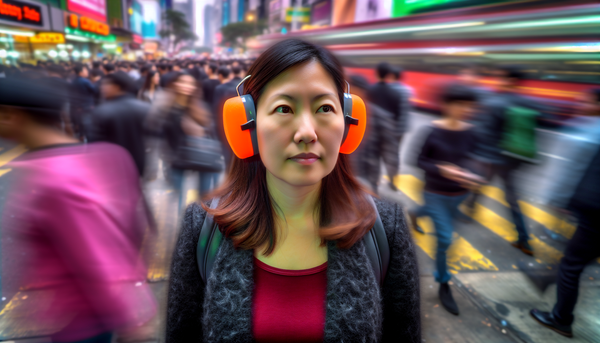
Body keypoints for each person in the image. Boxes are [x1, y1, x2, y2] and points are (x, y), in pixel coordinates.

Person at [166, 38, 421, 343]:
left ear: (350, 122)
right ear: (246, 124)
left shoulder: (385, 228)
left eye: (325, 107)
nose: (307, 133)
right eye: (284, 108)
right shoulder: (203, 228)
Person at [0, 77, 156, 343]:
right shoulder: (106, 155)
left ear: (10, 116)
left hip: (82, 317)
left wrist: (131, 319)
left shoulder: (53, 178)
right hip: (88, 311)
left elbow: (95, 257)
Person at [408, 85, 482, 316]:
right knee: (445, 239)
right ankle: (443, 282)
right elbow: (418, 160)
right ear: (447, 106)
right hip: (435, 193)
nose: (466, 110)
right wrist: (440, 168)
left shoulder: (472, 131)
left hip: (459, 195)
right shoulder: (431, 130)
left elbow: (473, 159)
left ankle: (416, 212)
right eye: (460, 104)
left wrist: (472, 174)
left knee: (437, 222)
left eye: (469, 105)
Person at [530, 110, 600, 337]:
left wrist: (565, 200)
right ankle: (546, 276)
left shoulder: (591, 130)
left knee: (572, 264)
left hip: (595, 216)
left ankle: (560, 319)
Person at [464, 66, 545, 256]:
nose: (496, 79)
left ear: (509, 80)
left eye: (499, 76)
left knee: (477, 184)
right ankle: (524, 239)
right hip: (511, 159)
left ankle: (468, 212)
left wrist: (474, 153)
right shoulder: (527, 101)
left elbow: (482, 132)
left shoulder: (495, 102)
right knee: (511, 200)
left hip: (490, 158)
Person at [160, 72, 220, 212]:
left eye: (190, 83)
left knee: (204, 196)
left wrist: (200, 130)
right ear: (175, 84)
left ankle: (198, 226)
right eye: (182, 82)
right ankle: (182, 226)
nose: (186, 86)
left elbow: (211, 130)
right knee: (177, 196)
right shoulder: (168, 107)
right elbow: (162, 132)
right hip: (176, 157)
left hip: (202, 155)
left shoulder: (200, 106)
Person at [87, 71, 150, 176]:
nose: (102, 88)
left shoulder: (102, 111)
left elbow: (94, 143)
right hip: (139, 164)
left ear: (116, 87)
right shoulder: (145, 108)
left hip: (111, 168)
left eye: (106, 84)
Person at [347, 74, 397, 194]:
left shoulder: (380, 116)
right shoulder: (341, 111)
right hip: (342, 177)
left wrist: (392, 177)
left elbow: (390, 150)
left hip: (366, 179)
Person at [366, 62, 405, 191]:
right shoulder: (396, 93)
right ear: (388, 75)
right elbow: (398, 115)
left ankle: (374, 187)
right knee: (391, 158)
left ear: (376, 73)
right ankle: (393, 182)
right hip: (389, 131)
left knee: (373, 158)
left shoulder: (369, 90)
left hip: (372, 131)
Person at [70, 64, 98, 139]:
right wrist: (96, 82)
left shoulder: (73, 81)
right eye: (85, 70)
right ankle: (88, 139)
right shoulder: (85, 81)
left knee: (81, 124)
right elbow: (94, 90)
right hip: (87, 105)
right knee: (88, 124)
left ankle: (81, 136)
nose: (87, 72)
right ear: (80, 72)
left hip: (78, 106)